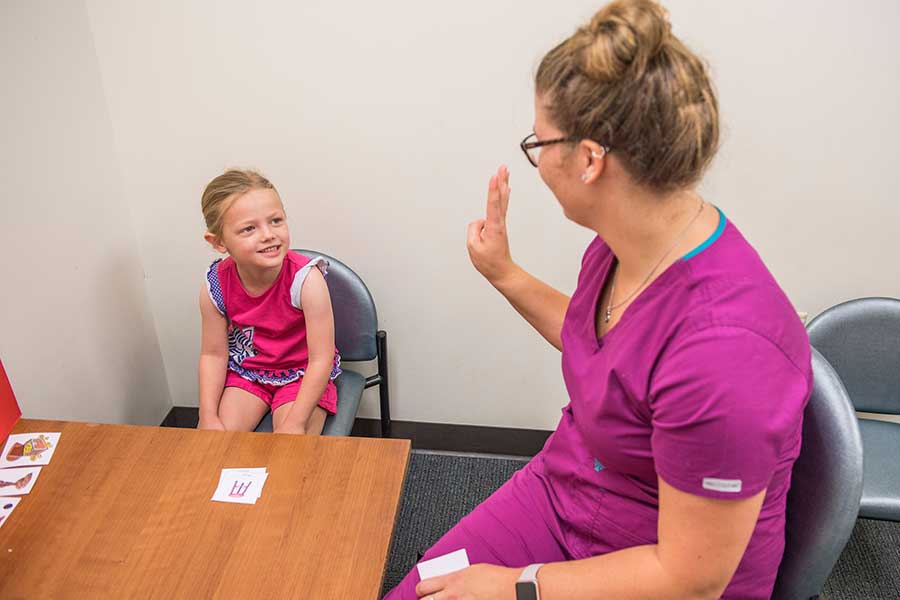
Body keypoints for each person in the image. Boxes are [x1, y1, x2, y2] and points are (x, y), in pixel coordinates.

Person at [385, 1, 811, 598]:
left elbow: (692, 579)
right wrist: (504, 273)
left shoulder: (727, 355)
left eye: (540, 142)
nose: (535, 162)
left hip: (656, 566)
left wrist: (516, 588)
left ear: (588, 159)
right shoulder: (627, 243)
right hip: (572, 488)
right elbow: (608, 351)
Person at [196, 169, 341, 435]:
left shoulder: (307, 281)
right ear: (218, 242)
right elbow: (213, 354)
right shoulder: (215, 285)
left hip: (302, 375)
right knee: (213, 444)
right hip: (248, 374)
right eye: (249, 228)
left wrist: (295, 424)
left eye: (275, 221)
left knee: (289, 451)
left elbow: (321, 359)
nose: (268, 235)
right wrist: (207, 416)